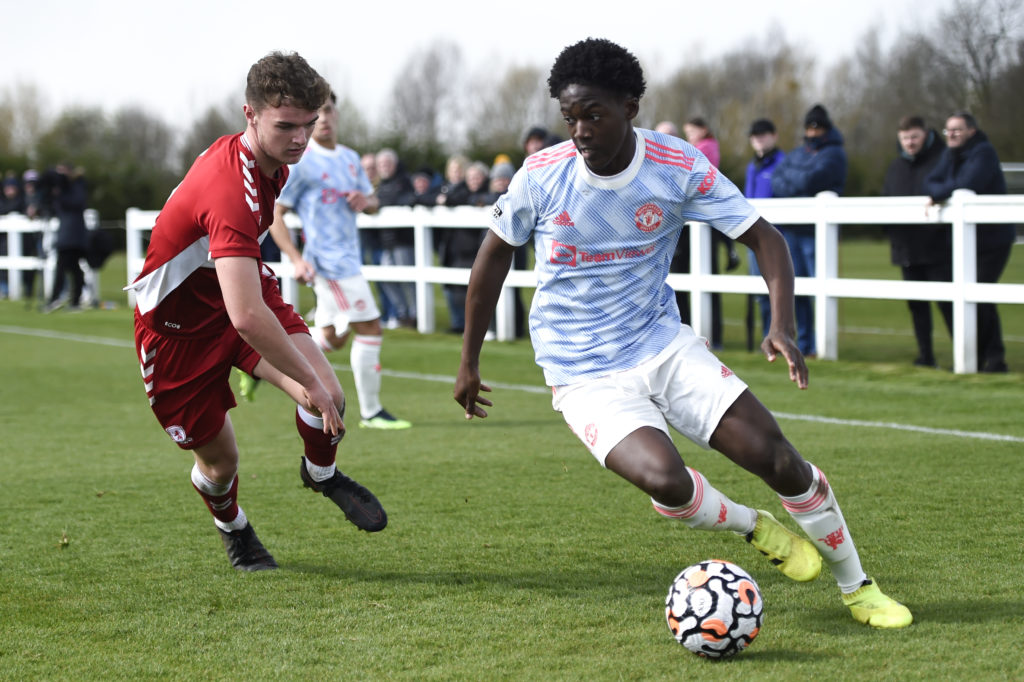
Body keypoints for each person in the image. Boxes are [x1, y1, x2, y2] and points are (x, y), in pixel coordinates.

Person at [454, 38, 911, 629]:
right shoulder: (543, 176)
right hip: (582, 369)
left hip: (662, 344)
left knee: (778, 459)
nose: (581, 131)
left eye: (594, 115)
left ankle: (859, 587)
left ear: (630, 108)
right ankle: (753, 527)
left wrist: (782, 325)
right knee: (665, 481)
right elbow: (492, 259)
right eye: (570, 118)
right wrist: (470, 360)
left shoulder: (677, 166)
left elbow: (764, 238)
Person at [125, 52, 387, 572]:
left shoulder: (273, 162)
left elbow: (244, 307)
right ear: (250, 114)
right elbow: (246, 316)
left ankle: (319, 473)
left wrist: (311, 385)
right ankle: (234, 528)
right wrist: (304, 382)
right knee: (221, 464)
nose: (300, 138)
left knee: (328, 394)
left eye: (309, 125)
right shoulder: (230, 188)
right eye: (285, 126)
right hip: (177, 334)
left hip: (239, 296)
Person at [267, 90, 411, 430]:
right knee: (370, 327)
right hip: (330, 265)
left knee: (332, 337)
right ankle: (372, 412)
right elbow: (276, 212)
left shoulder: (349, 158)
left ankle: (266, 359)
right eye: (318, 112)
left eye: (329, 110)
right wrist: (296, 259)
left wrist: (366, 199)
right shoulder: (302, 163)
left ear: (336, 114)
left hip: (350, 260)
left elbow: (373, 202)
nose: (325, 118)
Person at [922, 112, 1015, 373]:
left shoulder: (983, 152)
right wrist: (939, 191)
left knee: (981, 295)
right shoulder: (950, 154)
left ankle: (995, 358)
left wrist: (939, 192)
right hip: (966, 241)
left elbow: (967, 184)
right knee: (965, 296)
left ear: (971, 131)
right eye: (948, 130)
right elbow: (930, 181)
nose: (951, 135)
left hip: (992, 239)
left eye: (957, 130)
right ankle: (981, 355)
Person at [770, 104, 848, 357]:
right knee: (797, 290)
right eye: (809, 127)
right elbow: (776, 180)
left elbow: (814, 180)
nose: (813, 132)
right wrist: (800, 177)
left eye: (817, 127)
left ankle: (822, 342)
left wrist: (797, 178)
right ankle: (804, 343)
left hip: (816, 233)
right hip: (792, 230)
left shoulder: (835, 153)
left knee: (819, 288)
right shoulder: (797, 153)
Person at [880, 116, 951, 368]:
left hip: (938, 248)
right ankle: (925, 356)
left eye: (914, 137)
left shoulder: (942, 160)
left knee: (948, 303)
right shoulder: (895, 167)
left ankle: (966, 353)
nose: (910, 142)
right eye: (905, 138)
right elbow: (886, 200)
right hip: (907, 248)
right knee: (917, 307)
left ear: (925, 135)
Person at [744, 118, 786, 342]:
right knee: (760, 291)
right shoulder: (752, 166)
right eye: (755, 136)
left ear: (774, 136)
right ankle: (767, 335)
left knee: (779, 289)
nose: (759, 140)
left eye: (763, 135)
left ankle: (783, 335)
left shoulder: (782, 163)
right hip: (754, 239)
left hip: (777, 236)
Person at [374, 148, 417, 328]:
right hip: (386, 241)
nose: (384, 167)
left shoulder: (404, 181)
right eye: (381, 164)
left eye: (387, 163)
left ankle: (415, 314)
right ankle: (402, 312)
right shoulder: (379, 185)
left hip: (403, 240)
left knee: (408, 278)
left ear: (395, 165)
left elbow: (403, 199)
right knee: (386, 276)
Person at [43, 164, 90, 312]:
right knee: (74, 269)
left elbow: (76, 203)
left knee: (63, 267)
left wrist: (61, 191)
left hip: (73, 235)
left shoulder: (76, 187)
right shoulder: (62, 190)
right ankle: (74, 300)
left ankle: (57, 298)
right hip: (66, 234)